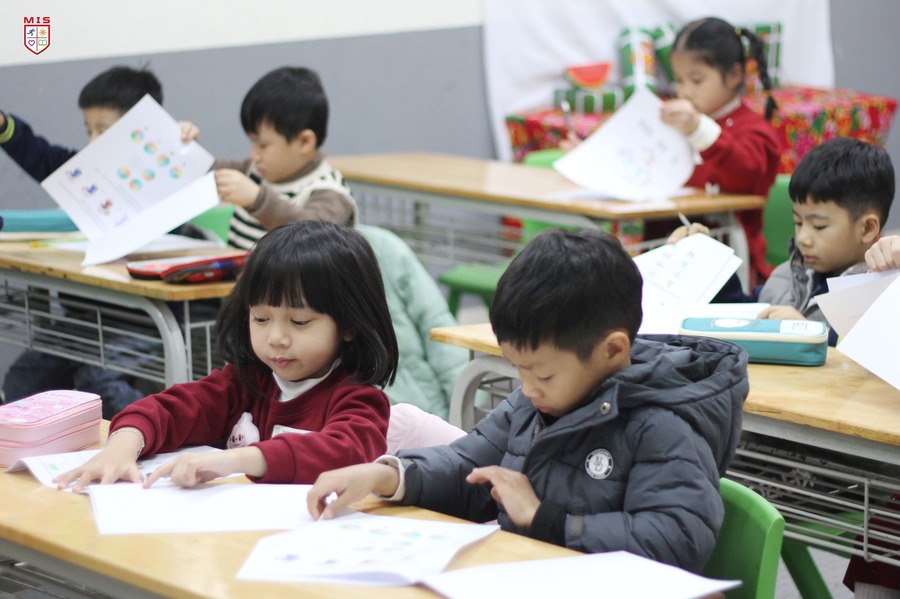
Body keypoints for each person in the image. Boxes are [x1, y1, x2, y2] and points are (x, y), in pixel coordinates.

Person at [306, 227, 748, 573]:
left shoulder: (662, 422)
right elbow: (467, 466)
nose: (528, 387)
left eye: (543, 373)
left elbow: (676, 539)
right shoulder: (537, 402)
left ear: (612, 350)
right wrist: (389, 475)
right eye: (519, 369)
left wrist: (544, 518)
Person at [53, 220, 399, 492]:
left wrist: (235, 461)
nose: (276, 338)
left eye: (299, 322)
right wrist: (122, 447)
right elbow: (171, 408)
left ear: (349, 325)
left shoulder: (359, 401)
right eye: (261, 319)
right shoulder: (245, 383)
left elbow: (343, 453)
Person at [1, 66, 199, 418]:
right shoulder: (85, 174)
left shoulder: (165, 180)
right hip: (88, 317)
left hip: (142, 320)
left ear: (142, 130)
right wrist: (5, 127)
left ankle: (152, 430)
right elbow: (41, 155)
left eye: (103, 131)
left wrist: (174, 143)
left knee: (99, 381)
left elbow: (187, 174)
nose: (92, 141)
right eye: (88, 130)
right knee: (25, 377)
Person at [563, 17, 780, 286]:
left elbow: (747, 173)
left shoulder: (753, 129)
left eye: (697, 80)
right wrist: (593, 157)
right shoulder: (671, 123)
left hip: (727, 266)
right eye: (678, 80)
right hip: (664, 259)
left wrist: (700, 130)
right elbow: (634, 163)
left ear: (734, 75)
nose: (685, 91)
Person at [668, 137, 894, 346]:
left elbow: (872, 354)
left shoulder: (880, 295)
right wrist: (708, 262)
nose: (803, 238)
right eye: (798, 222)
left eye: (819, 226)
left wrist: (809, 332)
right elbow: (745, 313)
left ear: (867, 228)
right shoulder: (786, 276)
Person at [212, 66, 356, 250]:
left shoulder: (329, 192)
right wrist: (185, 146)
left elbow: (312, 239)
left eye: (263, 145)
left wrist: (258, 200)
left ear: (304, 142)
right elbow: (205, 170)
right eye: (252, 142)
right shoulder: (256, 170)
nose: (253, 155)